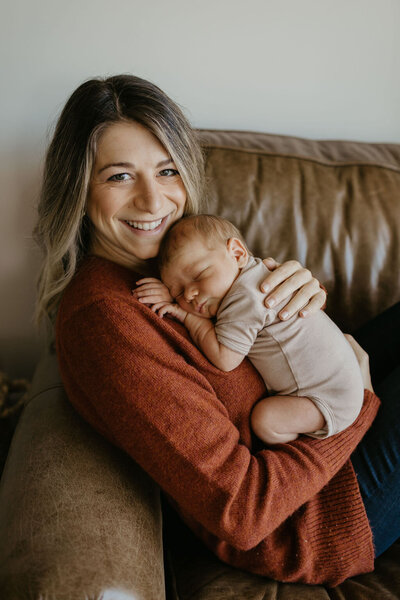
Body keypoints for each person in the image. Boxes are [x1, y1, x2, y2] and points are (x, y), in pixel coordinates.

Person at [33, 74, 400, 587]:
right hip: (319, 518)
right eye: (118, 176)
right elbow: (243, 511)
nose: (153, 200)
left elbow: (258, 350)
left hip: (311, 422)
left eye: (166, 170)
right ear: (78, 187)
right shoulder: (105, 321)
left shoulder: (168, 269)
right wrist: (359, 402)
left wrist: (299, 302)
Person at [136, 213, 364, 445]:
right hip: (347, 382)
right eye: (177, 291)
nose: (189, 294)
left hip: (331, 400)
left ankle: (306, 439)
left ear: (237, 253)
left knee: (266, 420)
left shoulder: (244, 298)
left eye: (199, 275)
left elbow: (225, 359)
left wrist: (186, 315)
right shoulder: (253, 275)